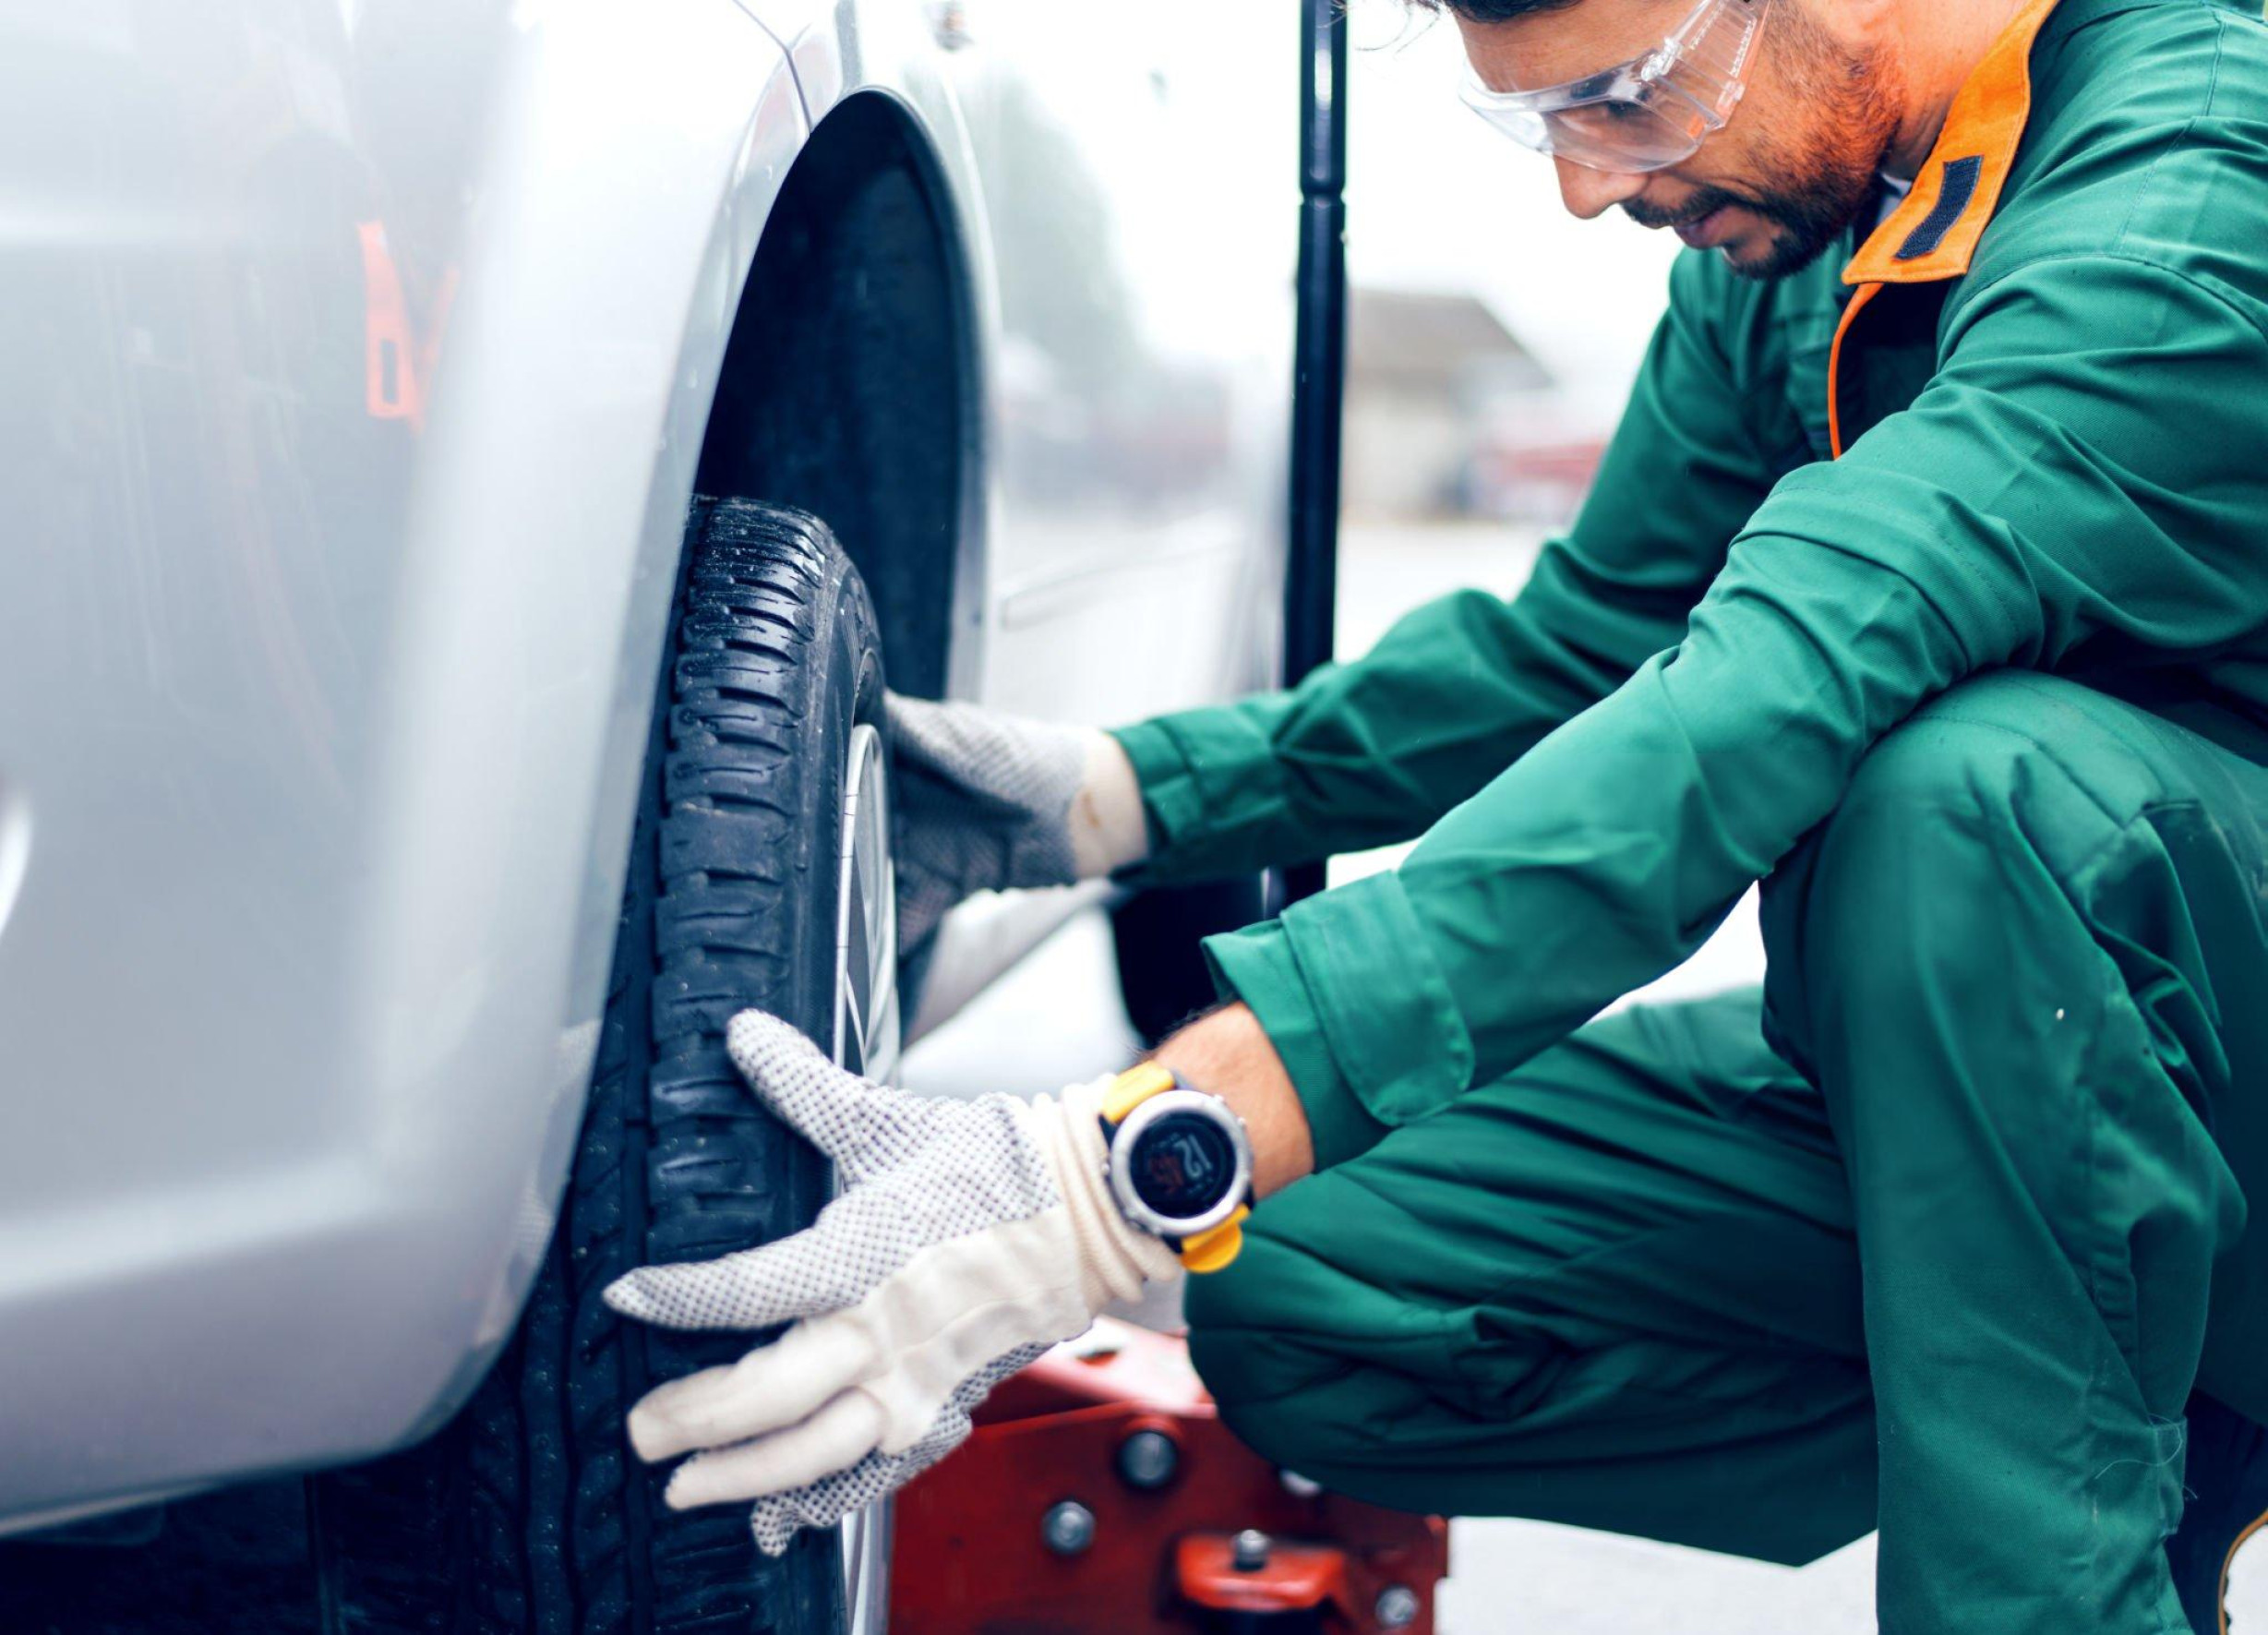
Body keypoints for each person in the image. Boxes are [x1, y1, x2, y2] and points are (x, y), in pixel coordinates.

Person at [603, 0, 2268, 1624]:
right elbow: (1581, 650)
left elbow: (1780, 677)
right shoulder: (1803, 237)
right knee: (1299, 1274)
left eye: (1622, 96)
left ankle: (2063, 1539)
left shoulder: (2187, 193)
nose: (1585, 186)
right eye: (1537, 121)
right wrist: (1121, 799)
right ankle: (2155, 1397)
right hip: (2037, 1058)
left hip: (2172, 1028)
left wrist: (1132, 1160)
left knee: (1963, 806)